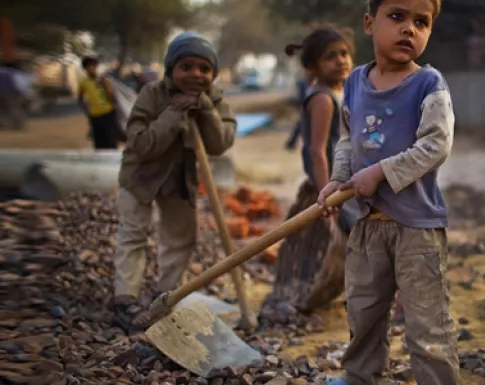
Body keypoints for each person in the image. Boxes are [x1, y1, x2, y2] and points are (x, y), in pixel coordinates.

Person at [316, 0, 459, 385]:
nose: (409, 29)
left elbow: (436, 145)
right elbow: (348, 139)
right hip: (368, 225)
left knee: (427, 323)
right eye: (397, 17)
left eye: (421, 22)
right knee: (363, 310)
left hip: (416, 226)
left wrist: (380, 172)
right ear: (369, 23)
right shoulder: (355, 82)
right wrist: (339, 180)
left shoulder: (429, 84)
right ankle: (363, 380)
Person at [112, 32, 236, 331]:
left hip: (179, 178)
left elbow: (220, 143)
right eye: (186, 67)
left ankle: (166, 296)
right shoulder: (152, 94)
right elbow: (141, 144)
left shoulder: (215, 99)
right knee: (133, 234)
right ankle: (124, 300)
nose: (196, 74)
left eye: (204, 69)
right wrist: (173, 113)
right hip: (140, 176)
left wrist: (205, 109)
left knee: (181, 237)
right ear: (171, 69)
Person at [266, 26, 359, 312]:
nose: (341, 60)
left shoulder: (343, 92)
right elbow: (316, 150)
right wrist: (326, 193)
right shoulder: (322, 99)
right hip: (332, 184)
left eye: (344, 53)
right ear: (314, 66)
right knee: (342, 238)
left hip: (349, 181)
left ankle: (355, 290)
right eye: (331, 56)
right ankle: (313, 293)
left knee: (358, 238)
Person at [78, 56, 123, 149]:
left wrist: (105, 87)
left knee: (111, 141)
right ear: (85, 69)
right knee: (99, 144)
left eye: (93, 66)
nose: (91, 68)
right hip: (94, 116)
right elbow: (80, 98)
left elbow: (113, 99)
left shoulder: (105, 80)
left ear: (96, 67)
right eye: (88, 67)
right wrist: (87, 111)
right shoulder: (83, 83)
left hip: (108, 114)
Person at [284, 72, 312, 151]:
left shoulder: (305, 83)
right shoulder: (302, 83)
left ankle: (291, 143)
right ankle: (291, 143)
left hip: (307, 105)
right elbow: (299, 96)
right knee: (302, 124)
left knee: (301, 125)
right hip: (305, 106)